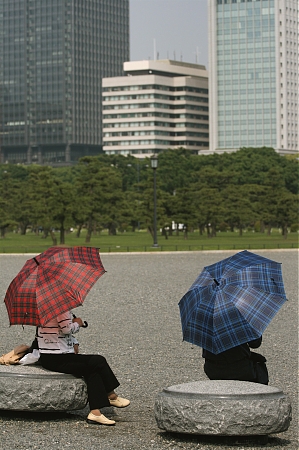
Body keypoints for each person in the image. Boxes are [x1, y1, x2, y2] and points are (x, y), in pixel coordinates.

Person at [37, 310, 130, 426]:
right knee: (98, 361)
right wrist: (78, 323)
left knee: (91, 369)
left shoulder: (43, 310)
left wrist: (74, 341)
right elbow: (66, 329)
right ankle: (111, 395)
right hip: (60, 357)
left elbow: (53, 332)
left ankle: (96, 412)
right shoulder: (60, 310)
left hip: (48, 358)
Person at [202, 336, 269, 385]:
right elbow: (255, 344)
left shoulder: (205, 320)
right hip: (241, 368)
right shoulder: (240, 319)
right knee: (261, 371)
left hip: (213, 369)